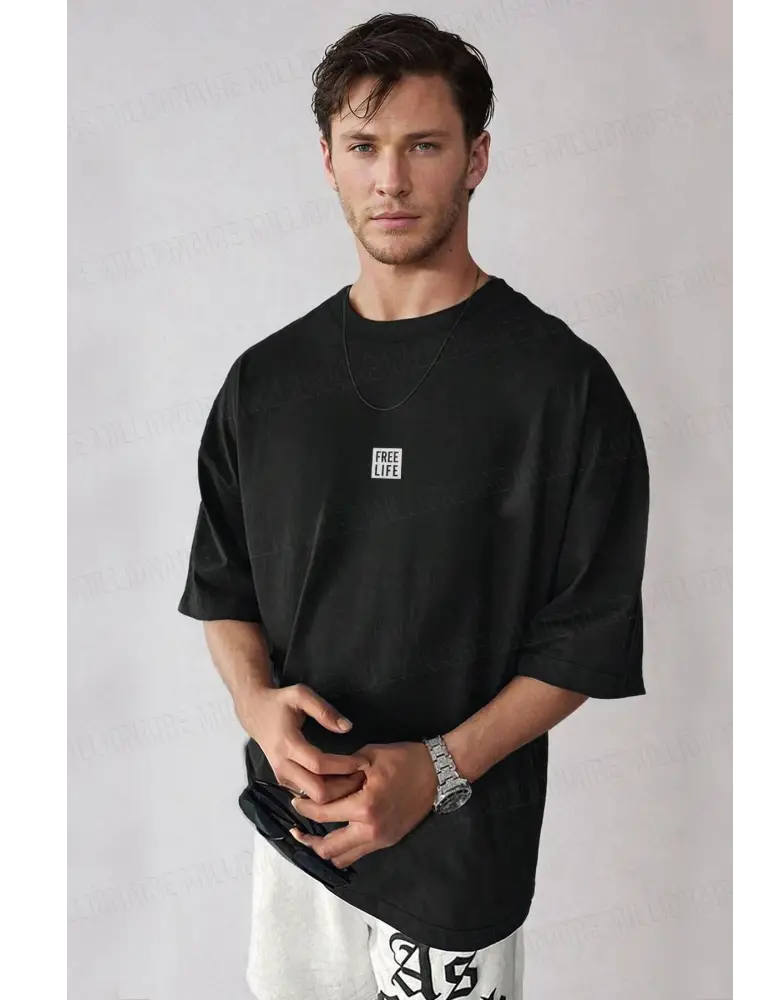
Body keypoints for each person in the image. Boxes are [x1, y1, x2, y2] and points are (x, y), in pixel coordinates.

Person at [177, 13, 650, 1000]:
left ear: (476, 158)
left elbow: (585, 637)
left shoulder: (559, 386)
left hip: (457, 860)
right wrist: (256, 704)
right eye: (363, 146)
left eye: (423, 146)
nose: (389, 180)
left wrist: (435, 770)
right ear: (327, 161)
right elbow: (225, 587)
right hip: (295, 839)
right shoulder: (265, 383)